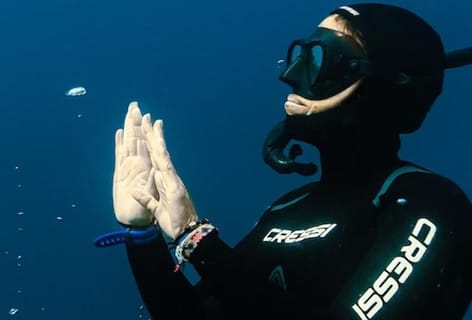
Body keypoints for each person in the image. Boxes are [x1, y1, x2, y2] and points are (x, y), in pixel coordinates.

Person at [97, 3, 472, 319]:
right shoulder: (288, 208)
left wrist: (195, 239)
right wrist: (143, 236)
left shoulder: (429, 207)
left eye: (323, 60)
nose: (290, 76)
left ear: (384, 87)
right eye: (301, 54)